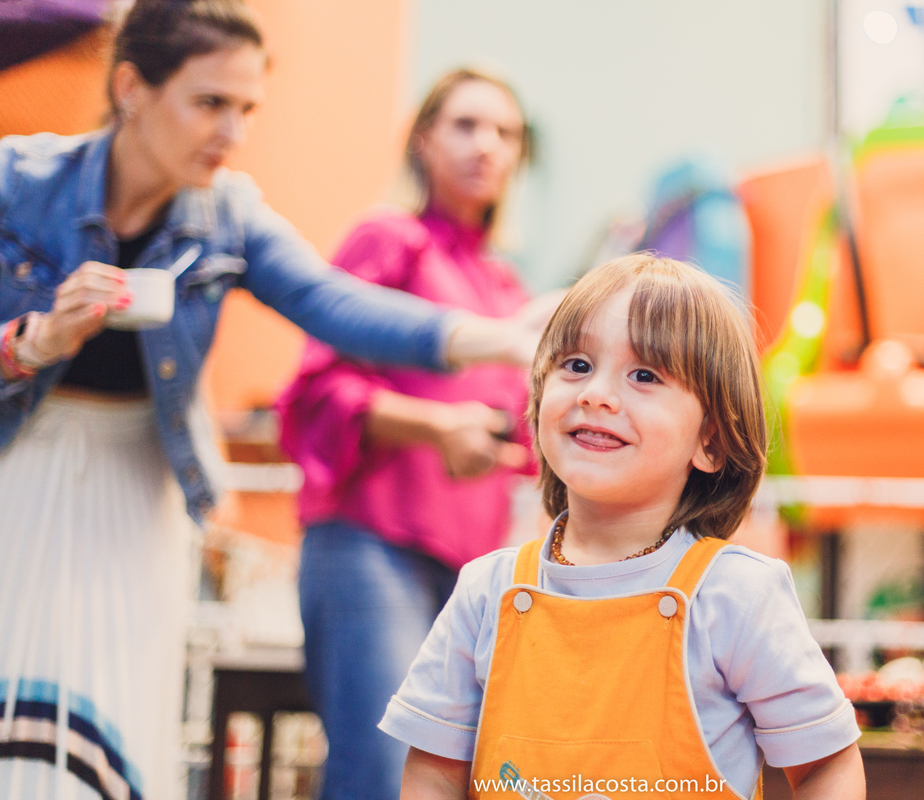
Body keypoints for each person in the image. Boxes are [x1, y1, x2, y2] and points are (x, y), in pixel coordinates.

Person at [0, 3, 545, 799]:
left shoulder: (229, 215)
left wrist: (499, 338)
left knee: (115, 708)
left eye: (248, 108)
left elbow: (336, 305)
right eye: (211, 103)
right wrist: (37, 339)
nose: (233, 130)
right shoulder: (18, 181)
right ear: (131, 88)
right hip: (23, 466)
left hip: (137, 487)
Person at [383, 254, 866, 800]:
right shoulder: (484, 592)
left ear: (710, 442)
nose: (596, 393)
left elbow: (827, 766)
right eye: (577, 365)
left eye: (644, 375)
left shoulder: (734, 595)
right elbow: (434, 771)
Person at [275, 68, 541, 800]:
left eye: (505, 132)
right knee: (382, 776)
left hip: (471, 573)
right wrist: (436, 427)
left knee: (453, 781)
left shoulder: (509, 292)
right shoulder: (388, 240)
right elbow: (313, 391)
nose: (485, 145)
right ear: (422, 140)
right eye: (465, 125)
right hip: (370, 546)